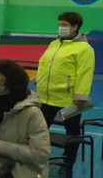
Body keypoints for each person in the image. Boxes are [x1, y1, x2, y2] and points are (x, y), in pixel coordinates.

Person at [36, 11, 95, 167]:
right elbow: (43, 64)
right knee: (39, 130)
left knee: (72, 133)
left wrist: (80, 98)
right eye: (60, 24)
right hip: (47, 97)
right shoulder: (54, 44)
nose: (61, 27)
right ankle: (37, 158)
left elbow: (84, 73)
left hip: (68, 100)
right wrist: (40, 82)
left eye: (64, 25)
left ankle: (68, 162)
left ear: (75, 27)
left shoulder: (84, 48)